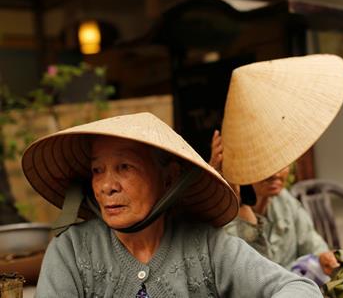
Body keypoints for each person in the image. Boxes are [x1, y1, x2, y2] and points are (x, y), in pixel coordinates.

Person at [22, 112, 322, 297]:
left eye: (125, 167)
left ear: (168, 178)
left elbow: (298, 288)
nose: (106, 186)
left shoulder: (206, 244)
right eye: (97, 170)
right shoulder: (72, 251)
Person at [209, 54, 343, 277]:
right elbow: (254, 277)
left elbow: (311, 242)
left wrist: (324, 256)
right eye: (265, 165)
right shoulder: (225, 219)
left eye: (281, 163)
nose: (275, 173)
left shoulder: (285, 203)